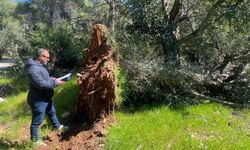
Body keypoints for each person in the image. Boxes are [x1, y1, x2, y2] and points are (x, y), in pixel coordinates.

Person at [25, 48, 68, 144]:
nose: (48, 59)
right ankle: (34, 141)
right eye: (47, 58)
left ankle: (58, 127)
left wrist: (52, 79)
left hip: (45, 97)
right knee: (37, 121)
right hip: (38, 100)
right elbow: (42, 85)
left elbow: (44, 79)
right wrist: (56, 83)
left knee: (52, 112)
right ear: (40, 57)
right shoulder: (33, 69)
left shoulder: (38, 65)